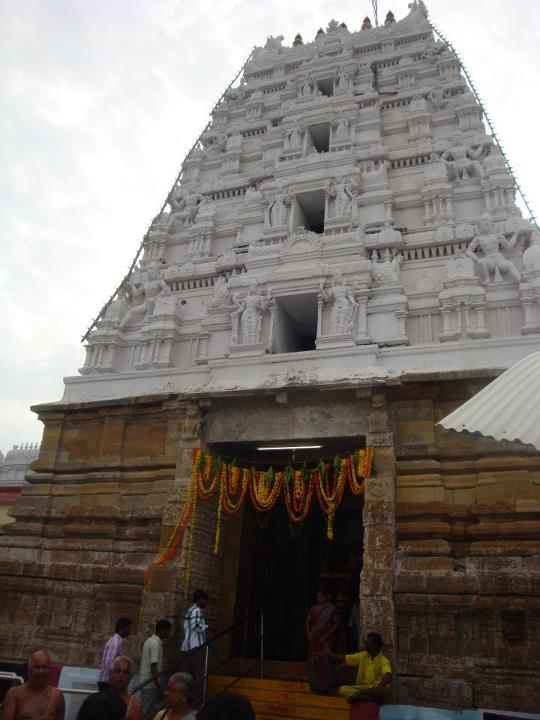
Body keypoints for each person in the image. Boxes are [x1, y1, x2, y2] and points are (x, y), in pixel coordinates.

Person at [328, 632, 392, 709]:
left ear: (375, 645)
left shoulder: (383, 660)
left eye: (368, 643)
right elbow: (345, 658)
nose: (366, 646)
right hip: (363, 689)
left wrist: (379, 687)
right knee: (343, 690)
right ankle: (367, 697)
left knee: (387, 687)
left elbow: (388, 674)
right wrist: (330, 655)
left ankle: (362, 696)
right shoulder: (363, 655)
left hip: (374, 688)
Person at [1, 649, 64, 720]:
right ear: (29, 670)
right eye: (37, 667)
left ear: (49, 669)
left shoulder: (57, 696)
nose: (41, 671)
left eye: (45, 667)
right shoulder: (14, 694)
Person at [305, 586, 341, 693]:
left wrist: (327, 635)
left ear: (326, 597)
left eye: (321, 596)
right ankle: (314, 683)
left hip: (325, 639)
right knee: (313, 660)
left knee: (325, 659)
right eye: (318, 596)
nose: (319, 598)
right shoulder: (313, 608)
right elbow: (307, 621)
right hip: (314, 638)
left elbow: (337, 623)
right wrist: (308, 633)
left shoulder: (330, 608)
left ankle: (327, 684)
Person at [181, 590, 209, 707]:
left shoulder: (190, 610)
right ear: (198, 599)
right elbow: (196, 626)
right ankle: (197, 701)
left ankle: (185, 700)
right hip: (196, 646)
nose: (205, 602)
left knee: (188, 675)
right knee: (200, 675)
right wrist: (207, 626)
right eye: (204, 599)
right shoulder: (197, 610)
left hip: (187, 647)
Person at [140, 619, 172, 720]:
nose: (168, 633)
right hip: (150, 685)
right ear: (161, 630)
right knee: (147, 713)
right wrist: (158, 687)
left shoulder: (149, 641)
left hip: (146, 682)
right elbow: (154, 666)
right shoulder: (155, 644)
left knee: (147, 711)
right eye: (167, 630)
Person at [98, 616, 132, 690]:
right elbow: (109, 663)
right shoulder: (116, 642)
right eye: (128, 628)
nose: (129, 631)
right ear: (123, 628)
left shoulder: (117, 641)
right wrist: (115, 679)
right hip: (107, 682)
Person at [109, 655, 143, 720]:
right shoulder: (98, 699)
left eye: (125, 673)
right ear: (111, 673)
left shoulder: (134, 706)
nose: (121, 675)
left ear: (130, 677)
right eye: (118, 671)